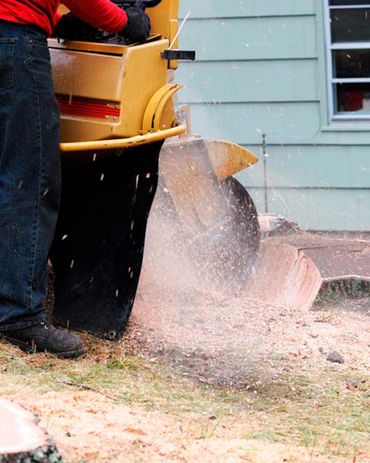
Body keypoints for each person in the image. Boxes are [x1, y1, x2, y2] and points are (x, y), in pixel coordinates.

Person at [0, 0, 150, 358]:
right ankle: (17, 315)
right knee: (28, 179)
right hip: (14, 43)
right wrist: (124, 19)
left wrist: (57, 21)